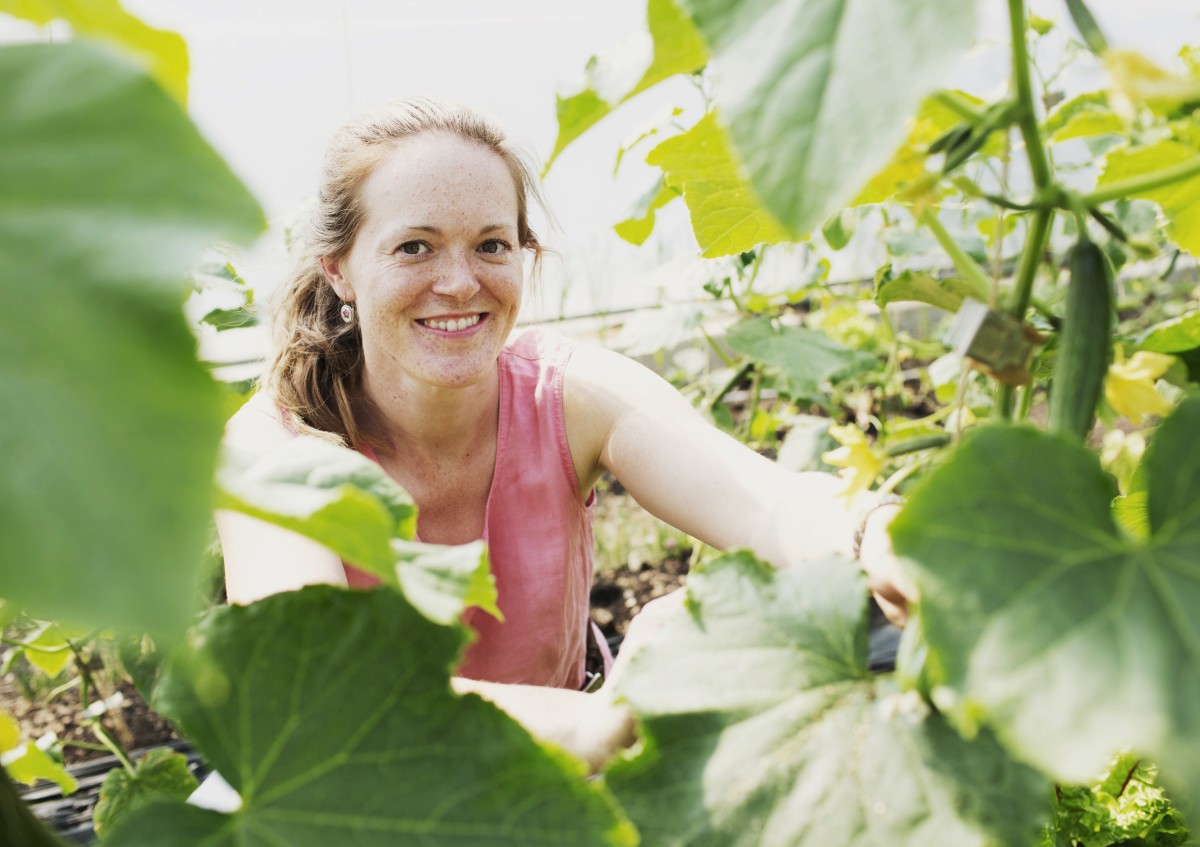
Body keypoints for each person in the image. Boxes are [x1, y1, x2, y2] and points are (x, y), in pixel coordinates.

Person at [217, 96, 908, 775]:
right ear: (338, 268)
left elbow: (765, 503)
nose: (459, 283)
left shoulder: (568, 391)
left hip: (552, 785)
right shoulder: (271, 451)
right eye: (414, 247)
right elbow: (312, 696)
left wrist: (874, 532)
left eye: (491, 244)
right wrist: (591, 722)